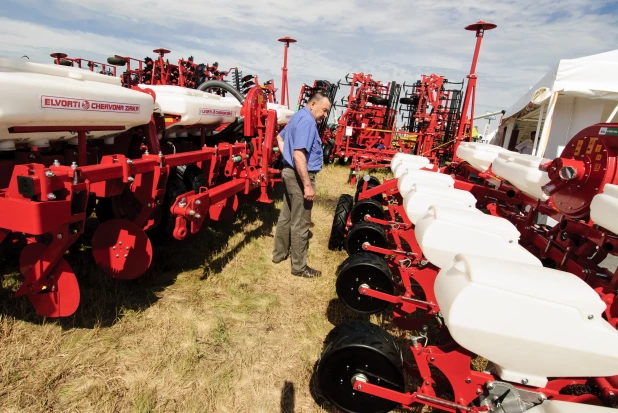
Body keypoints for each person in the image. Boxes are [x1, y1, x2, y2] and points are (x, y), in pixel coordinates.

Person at [272, 92, 331, 278]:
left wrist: (286, 158)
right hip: (299, 176)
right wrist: (307, 185)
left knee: (286, 216)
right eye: (324, 110)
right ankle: (299, 267)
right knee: (301, 222)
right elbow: (299, 154)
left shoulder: (298, 116)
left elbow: (280, 139)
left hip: (289, 171)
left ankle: (279, 255)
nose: (325, 115)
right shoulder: (307, 121)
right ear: (313, 104)